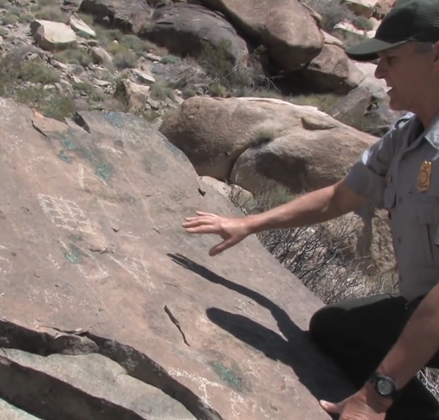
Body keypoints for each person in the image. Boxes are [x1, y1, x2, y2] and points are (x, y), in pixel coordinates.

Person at [182, 1, 439, 419]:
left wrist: (374, 397)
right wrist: (248, 222)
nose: (378, 73)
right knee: (337, 329)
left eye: (390, 58)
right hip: (422, 307)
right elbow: (340, 197)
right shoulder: (408, 137)